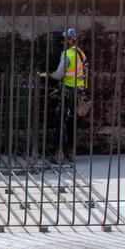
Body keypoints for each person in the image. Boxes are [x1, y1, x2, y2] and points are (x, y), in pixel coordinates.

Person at [40, 27, 88, 163]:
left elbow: (58, 75)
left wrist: (46, 74)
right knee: (73, 123)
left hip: (67, 92)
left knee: (60, 121)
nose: (64, 42)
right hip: (79, 93)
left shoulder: (67, 54)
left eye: (66, 39)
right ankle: (71, 153)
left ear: (70, 41)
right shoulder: (81, 54)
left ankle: (58, 155)